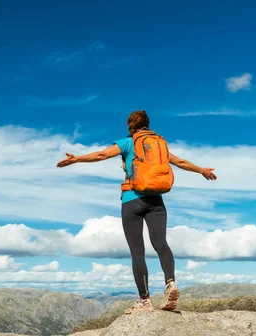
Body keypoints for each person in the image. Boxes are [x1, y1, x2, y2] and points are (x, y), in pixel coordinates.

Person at [57, 110, 217, 314]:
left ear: (130, 127)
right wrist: (202, 170)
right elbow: (181, 162)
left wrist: (77, 159)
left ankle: (144, 300)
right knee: (160, 243)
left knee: (137, 251)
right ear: (148, 124)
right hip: (156, 201)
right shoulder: (159, 144)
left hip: (132, 200)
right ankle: (170, 283)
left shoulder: (128, 142)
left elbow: (101, 154)